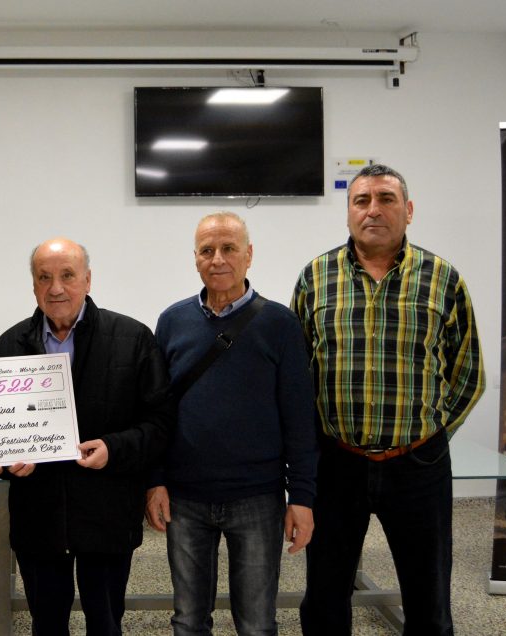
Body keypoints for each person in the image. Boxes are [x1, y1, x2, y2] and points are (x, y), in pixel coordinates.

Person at [291, 164, 486, 635]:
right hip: (337, 464)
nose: (373, 209)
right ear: (348, 213)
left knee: (430, 599)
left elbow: (468, 373)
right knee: (325, 596)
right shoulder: (316, 277)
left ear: (409, 210)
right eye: (361, 200)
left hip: (418, 466)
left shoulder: (443, 279)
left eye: (386, 199)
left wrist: (432, 432)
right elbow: (298, 374)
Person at [0, 237, 173, 635]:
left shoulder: (132, 339)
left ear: (88, 280)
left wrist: (114, 448)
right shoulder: (7, 347)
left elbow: (159, 423)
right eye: (44, 277)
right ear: (33, 285)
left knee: (106, 623)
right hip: (39, 517)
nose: (56, 288)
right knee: (47, 623)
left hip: (107, 514)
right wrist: (4, 463)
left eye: (67, 275)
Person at [145, 212, 317, 636]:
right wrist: (155, 480)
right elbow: (156, 412)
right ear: (196, 258)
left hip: (257, 497)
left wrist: (303, 497)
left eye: (228, 248)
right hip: (185, 498)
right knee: (187, 620)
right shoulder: (171, 322)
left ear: (249, 255)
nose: (217, 259)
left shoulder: (279, 324)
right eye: (207, 250)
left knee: (258, 623)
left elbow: (299, 418)